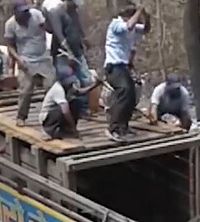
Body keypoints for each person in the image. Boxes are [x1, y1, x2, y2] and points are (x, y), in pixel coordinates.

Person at [4, 0, 55, 127]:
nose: (25, 14)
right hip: (26, 59)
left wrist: (49, 21)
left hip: (43, 57)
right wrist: (17, 59)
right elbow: (10, 46)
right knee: (26, 90)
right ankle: (21, 116)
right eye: (22, 12)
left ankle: (52, 116)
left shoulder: (36, 15)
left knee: (51, 87)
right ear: (15, 12)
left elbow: (49, 29)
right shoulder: (10, 24)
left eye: (26, 11)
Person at [103, 5, 150, 141]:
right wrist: (139, 10)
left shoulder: (133, 28)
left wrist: (146, 16)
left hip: (123, 67)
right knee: (124, 91)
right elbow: (128, 26)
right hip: (113, 67)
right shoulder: (116, 24)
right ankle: (113, 127)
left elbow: (146, 29)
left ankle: (123, 126)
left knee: (131, 95)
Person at [47, 0, 92, 117]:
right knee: (69, 82)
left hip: (77, 50)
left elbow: (78, 27)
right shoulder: (56, 12)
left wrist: (84, 39)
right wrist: (69, 52)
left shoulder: (74, 12)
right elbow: (59, 34)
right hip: (62, 54)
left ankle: (84, 109)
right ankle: (66, 109)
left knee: (86, 79)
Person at [39, 68, 101, 140]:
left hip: (59, 111)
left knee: (77, 102)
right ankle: (47, 131)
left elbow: (79, 92)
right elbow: (66, 112)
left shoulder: (68, 85)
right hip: (47, 116)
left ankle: (66, 130)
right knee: (61, 109)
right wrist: (73, 127)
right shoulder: (58, 89)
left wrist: (94, 85)